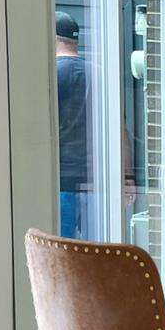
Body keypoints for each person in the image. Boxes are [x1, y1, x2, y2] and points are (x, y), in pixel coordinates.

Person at [55, 12, 91, 237]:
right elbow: (121, 131)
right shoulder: (99, 72)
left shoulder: (53, 74)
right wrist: (127, 178)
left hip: (63, 180)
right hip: (95, 179)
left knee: (63, 252)